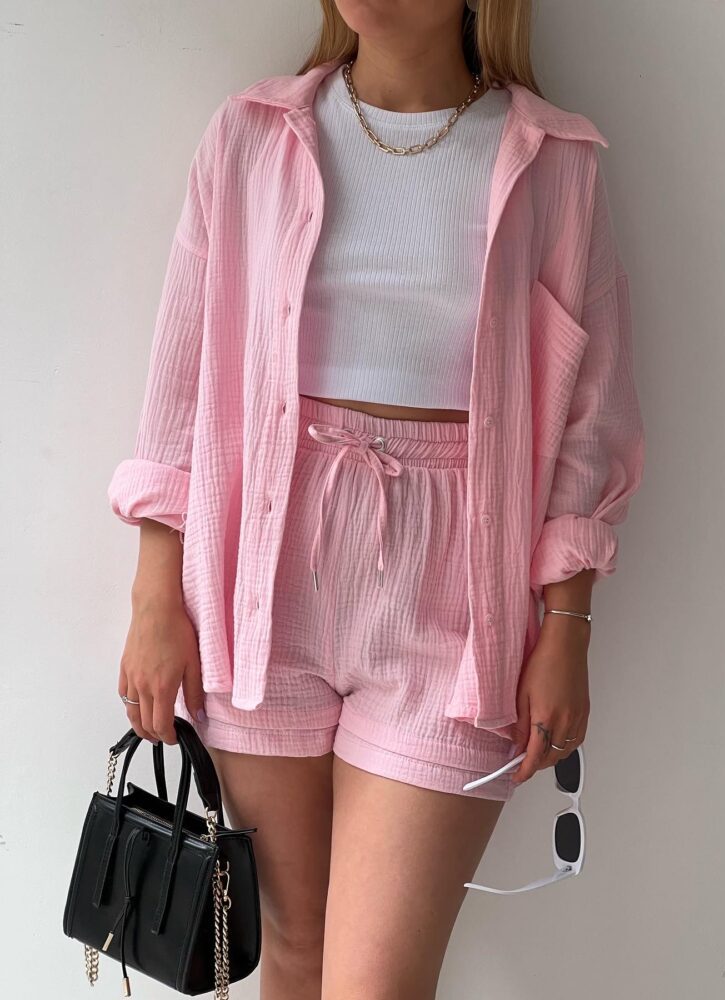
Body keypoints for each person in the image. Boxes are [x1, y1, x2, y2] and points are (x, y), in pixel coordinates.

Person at [107, 1, 645, 996]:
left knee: (377, 984)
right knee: (293, 946)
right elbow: (180, 384)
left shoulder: (551, 162)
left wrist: (567, 621)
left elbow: (591, 414)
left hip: (458, 606)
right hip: (260, 587)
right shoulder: (252, 135)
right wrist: (153, 597)